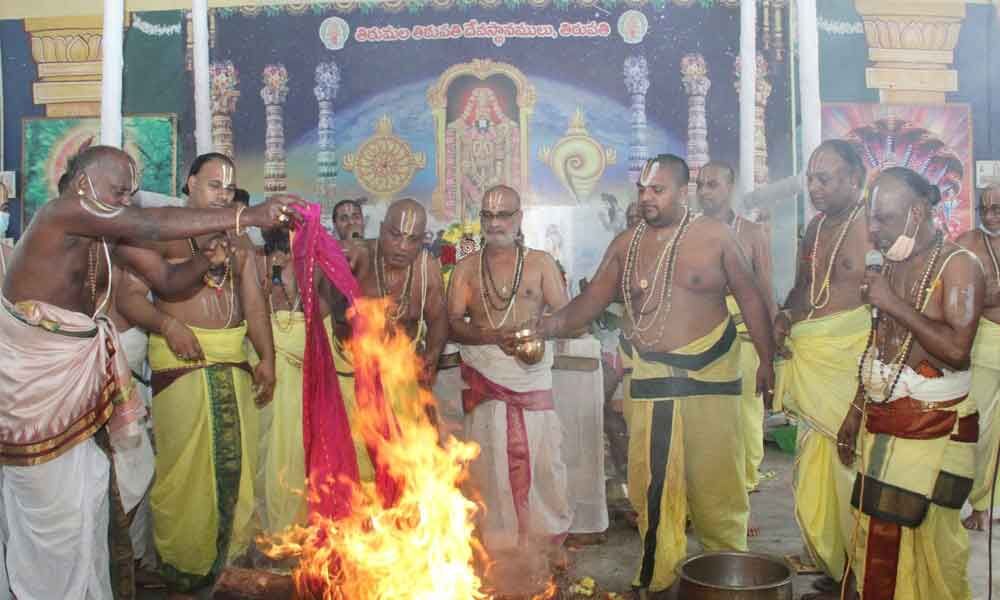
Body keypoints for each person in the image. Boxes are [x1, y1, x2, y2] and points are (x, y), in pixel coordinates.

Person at [0, 145, 297, 600]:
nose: (127, 202)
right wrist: (246, 216)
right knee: (53, 514)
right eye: (119, 191)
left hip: (74, 390)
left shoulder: (107, 239)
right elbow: (149, 224)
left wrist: (205, 262)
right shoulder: (60, 215)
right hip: (35, 396)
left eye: (131, 193)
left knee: (89, 505)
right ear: (83, 185)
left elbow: (168, 282)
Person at [535, 155, 775, 596]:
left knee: (717, 484)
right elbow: (590, 302)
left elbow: (753, 299)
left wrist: (767, 360)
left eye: (657, 190)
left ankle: (730, 573)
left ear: (683, 192)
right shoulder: (627, 245)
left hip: (712, 378)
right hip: (649, 378)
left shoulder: (716, 237)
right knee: (651, 485)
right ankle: (661, 571)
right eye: (642, 189)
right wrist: (544, 327)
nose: (646, 197)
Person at [115, 153, 281, 598]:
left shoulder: (241, 243)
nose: (223, 195)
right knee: (181, 475)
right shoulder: (161, 235)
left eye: (229, 188)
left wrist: (266, 357)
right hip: (182, 363)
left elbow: (254, 306)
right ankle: (182, 572)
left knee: (237, 466)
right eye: (213, 186)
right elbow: (130, 298)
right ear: (188, 184)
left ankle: (229, 567)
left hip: (232, 360)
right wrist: (169, 325)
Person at [838, 167, 983, 600]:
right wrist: (855, 410)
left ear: (918, 212)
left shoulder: (959, 267)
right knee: (875, 535)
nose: (873, 229)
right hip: (883, 421)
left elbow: (957, 351)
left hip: (935, 427)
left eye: (884, 218)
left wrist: (892, 303)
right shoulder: (892, 267)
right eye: (871, 218)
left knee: (930, 545)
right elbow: (881, 347)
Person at [446, 184, 573, 575]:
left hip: (530, 376)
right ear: (481, 220)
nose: (495, 222)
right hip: (488, 376)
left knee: (544, 460)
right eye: (488, 215)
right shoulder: (467, 268)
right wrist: (490, 337)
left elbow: (564, 313)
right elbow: (452, 322)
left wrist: (534, 333)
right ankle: (497, 545)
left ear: (519, 219)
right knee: (490, 462)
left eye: (504, 215)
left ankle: (546, 540)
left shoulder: (540, 262)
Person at [771, 140, 873, 595]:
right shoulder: (813, 228)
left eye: (824, 178)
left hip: (852, 361)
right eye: (810, 178)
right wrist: (785, 316)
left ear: (855, 179)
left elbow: (886, 306)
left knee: (855, 465)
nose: (813, 187)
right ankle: (839, 569)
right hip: (814, 355)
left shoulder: (874, 225)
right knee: (820, 466)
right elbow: (802, 288)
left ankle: (867, 574)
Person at [697, 161, 777, 498]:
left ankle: (744, 481)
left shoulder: (753, 233)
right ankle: (709, 482)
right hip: (700, 339)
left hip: (745, 338)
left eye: (712, 184)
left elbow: (766, 292)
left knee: (746, 411)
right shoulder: (689, 233)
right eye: (700, 184)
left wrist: (768, 355)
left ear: (730, 187)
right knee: (705, 414)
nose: (704, 191)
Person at [956, 183, 1000, 532]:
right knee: (983, 429)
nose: (989, 215)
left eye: (997, 208)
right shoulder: (968, 244)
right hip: (985, 344)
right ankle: (982, 505)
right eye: (984, 209)